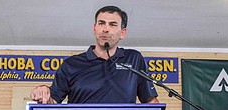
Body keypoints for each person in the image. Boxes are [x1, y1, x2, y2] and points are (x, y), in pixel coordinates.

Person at [30, 5, 159, 104]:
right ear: (94, 28)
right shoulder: (71, 64)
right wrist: (43, 92)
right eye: (101, 23)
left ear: (123, 33)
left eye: (113, 25)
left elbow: (151, 103)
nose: (105, 29)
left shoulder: (134, 59)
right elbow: (53, 101)